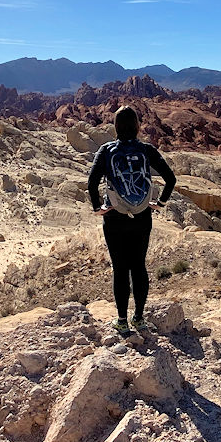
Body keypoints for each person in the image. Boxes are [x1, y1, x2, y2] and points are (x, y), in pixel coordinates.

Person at [87, 106, 176, 334]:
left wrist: (99, 208)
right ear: (138, 127)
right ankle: (139, 318)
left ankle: (121, 320)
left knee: (120, 268)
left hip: (115, 217)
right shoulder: (146, 150)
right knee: (138, 266)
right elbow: (170, 178)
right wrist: (160, 203)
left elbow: (92, 182)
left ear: (115, 127)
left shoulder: (106, 150)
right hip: (142, 217)